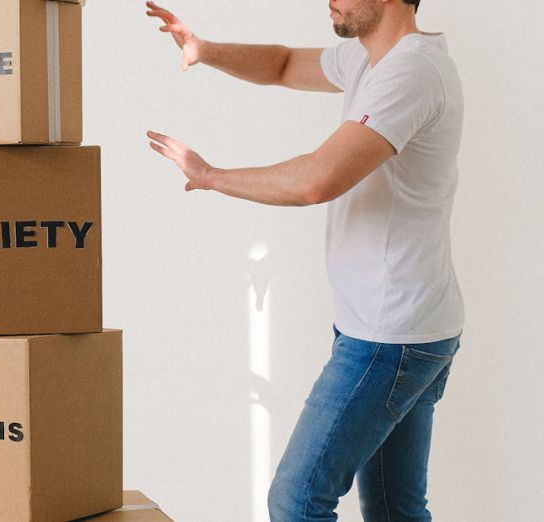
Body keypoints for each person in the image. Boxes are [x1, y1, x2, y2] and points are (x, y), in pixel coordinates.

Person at [145, 1, 464, 520]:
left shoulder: (412, 71)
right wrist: (203, 50)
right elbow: (284, 63)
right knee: (394, 509)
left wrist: (210, 175)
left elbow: (318, 180)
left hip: (391, 336)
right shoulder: (372, 59)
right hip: (404, 327)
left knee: (297, 501)